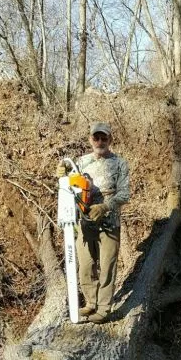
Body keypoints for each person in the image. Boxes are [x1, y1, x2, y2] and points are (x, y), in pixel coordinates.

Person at [58, 121, 130, 323]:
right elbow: (70, 186)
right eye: (96, 137)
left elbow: (125, 194)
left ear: (110, 140)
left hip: (110, 222)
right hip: (86, 221)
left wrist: (105, 207)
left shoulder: (120, 163)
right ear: (90, 139)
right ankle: (90, 303)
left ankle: (104, 309)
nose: (100, 141)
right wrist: (62, 175)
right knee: (86, 265)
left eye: (104, 138)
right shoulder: (80, 162)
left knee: (107, 266)